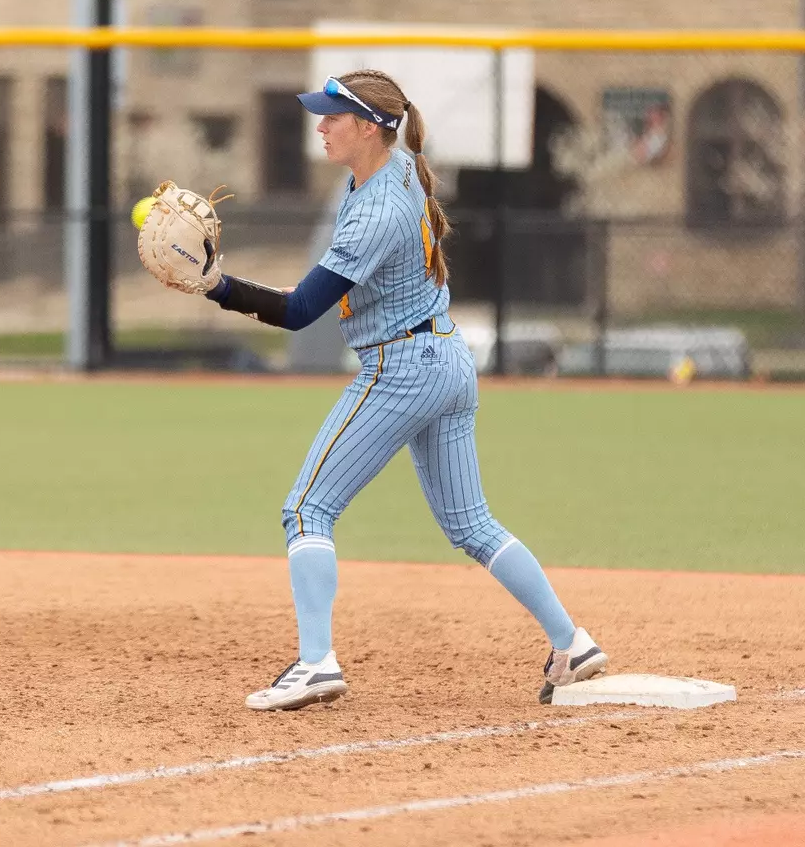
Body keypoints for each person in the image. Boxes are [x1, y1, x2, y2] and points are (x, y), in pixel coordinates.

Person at [200, 69, 606, 710]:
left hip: (402, 369)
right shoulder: (398, 166)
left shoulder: (380, 209)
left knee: (307, 509)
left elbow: (302, 310)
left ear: (370, 127)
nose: (321, 126)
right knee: (471, 523)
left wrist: (216, 286)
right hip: (445, 360)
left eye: (334, 116)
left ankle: (315, 663)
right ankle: (571, 641)